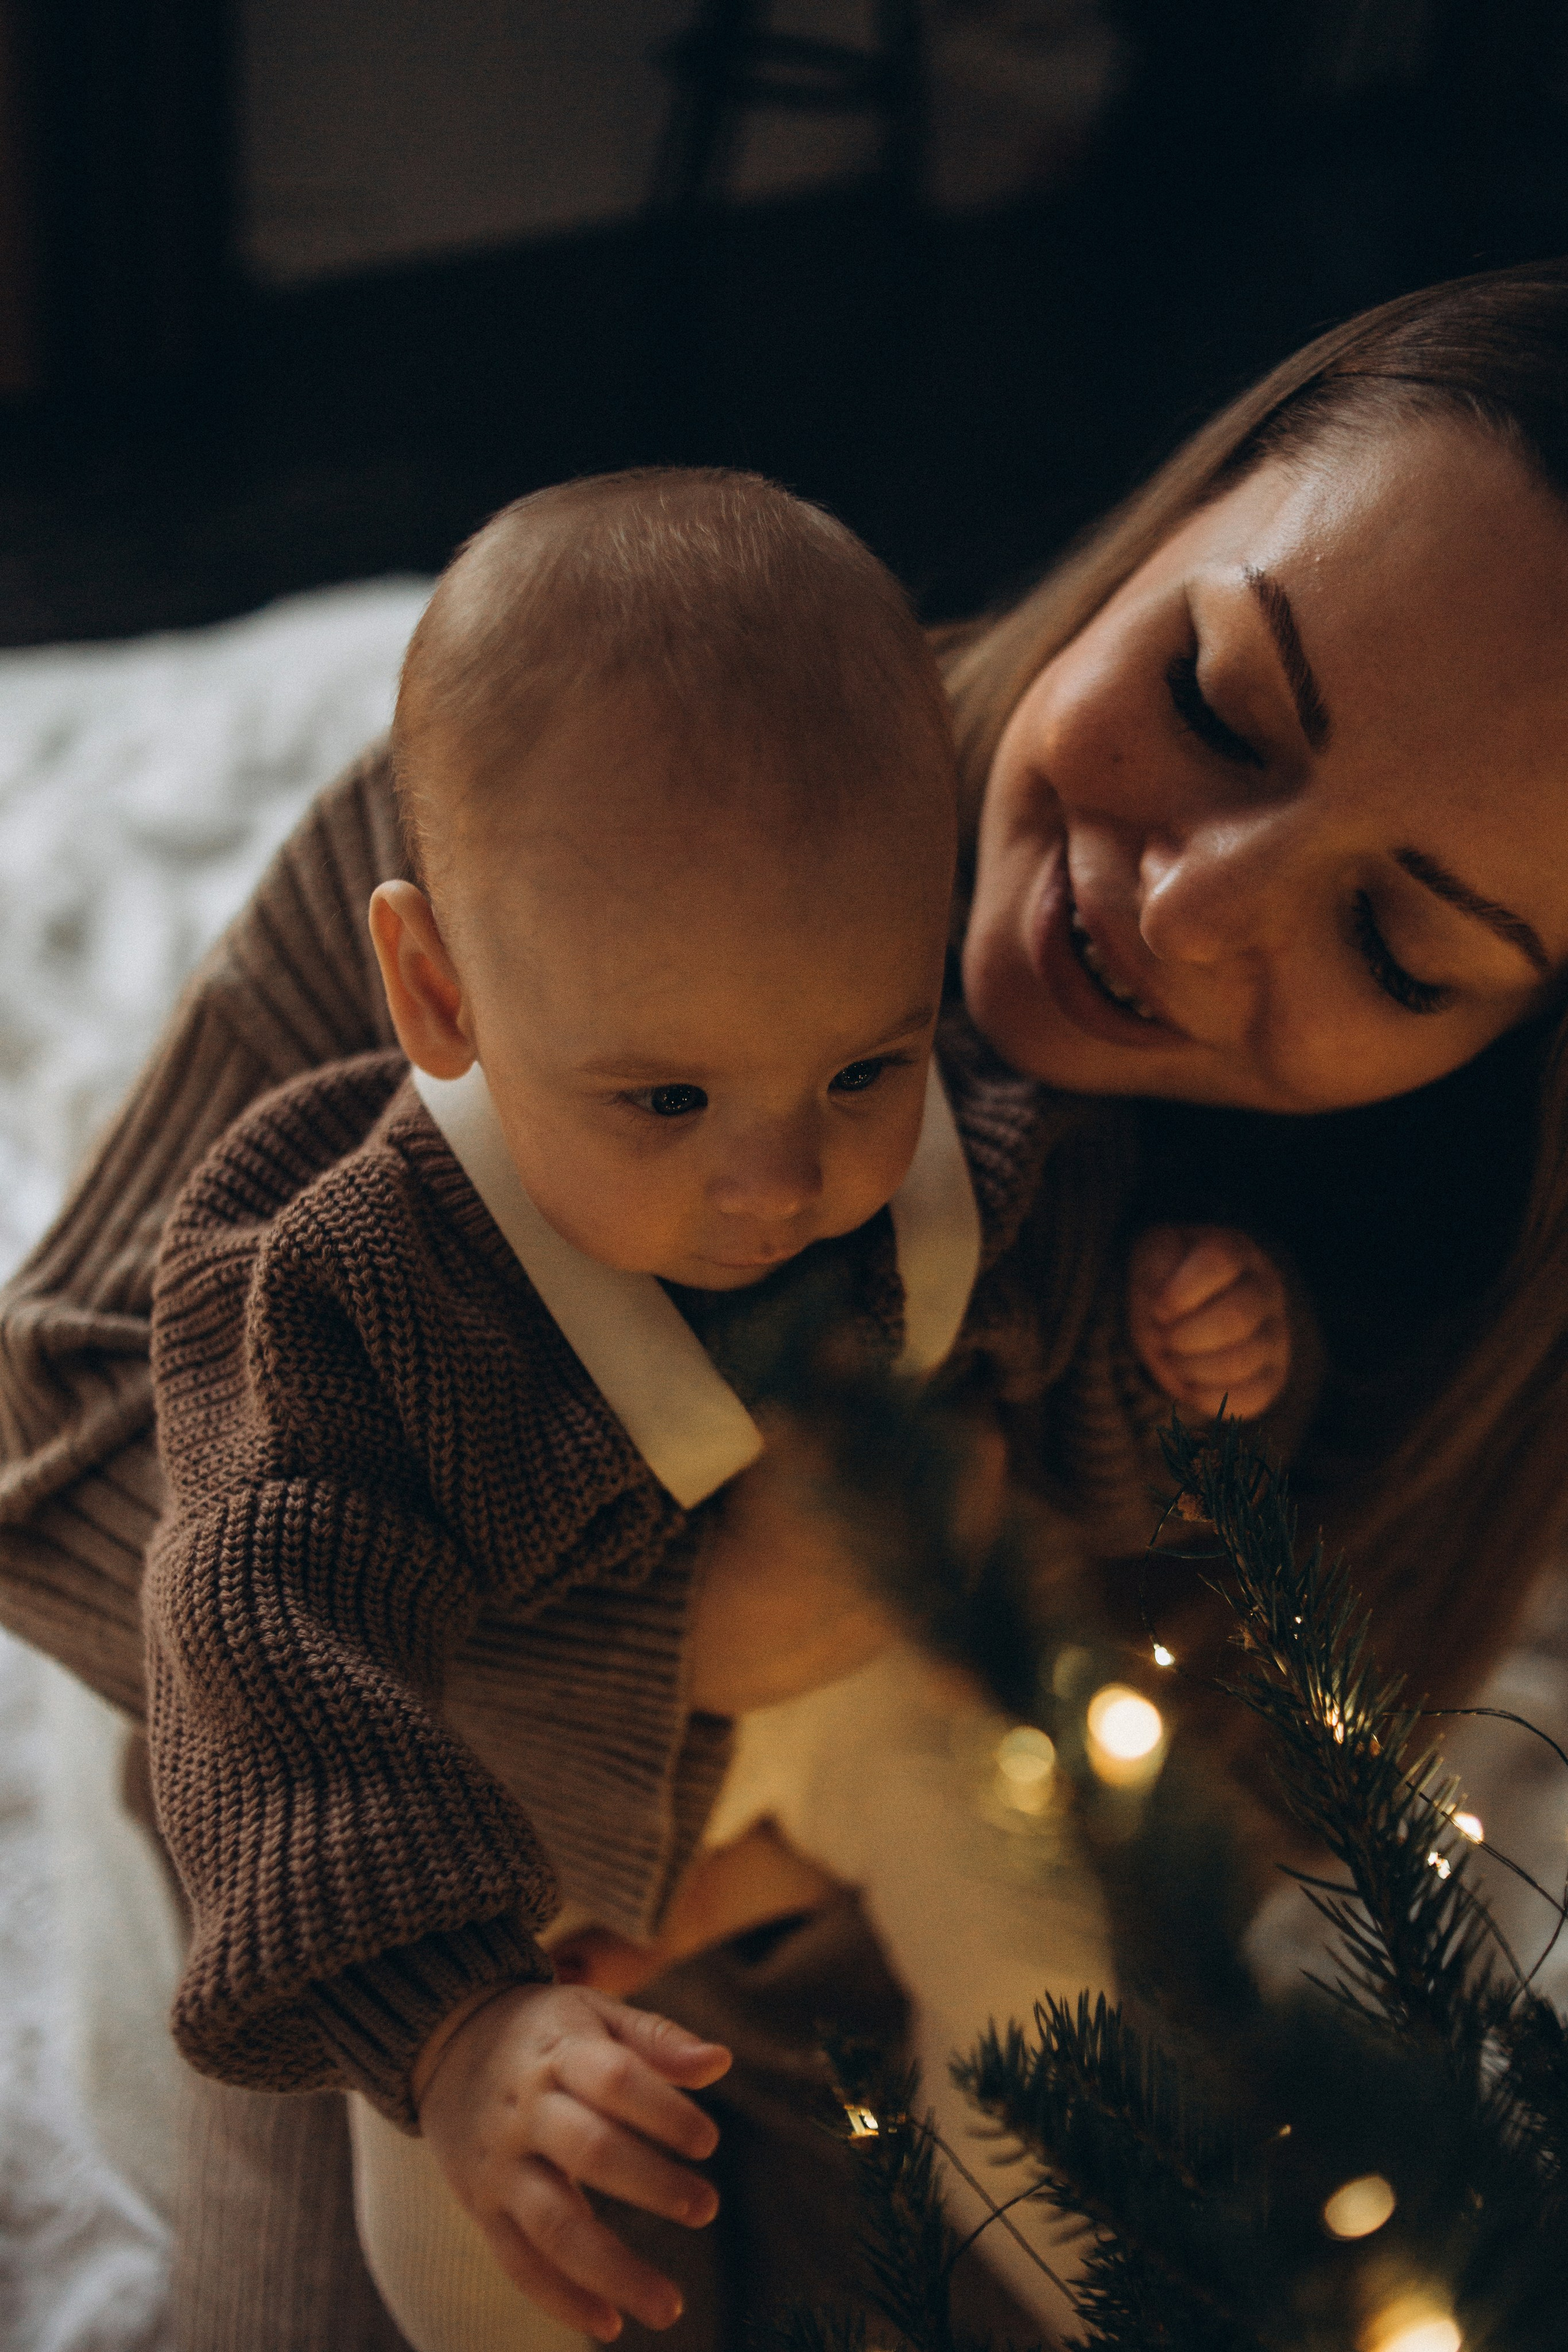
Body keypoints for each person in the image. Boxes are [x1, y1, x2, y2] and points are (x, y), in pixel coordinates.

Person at [8, 257, 1568, 2345]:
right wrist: (658, 1680)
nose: (1187, 916)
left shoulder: (1225, 1223)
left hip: (900, 1890)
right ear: (1181, 511)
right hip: (405, 1872)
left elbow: (1256, 1799)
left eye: (1394, 939)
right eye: (1217, 702)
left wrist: (1183, 1417)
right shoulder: (571, 832)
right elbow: (66, 1447)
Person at [138, 466, 1289, 2351]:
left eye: (860, 1063)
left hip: (871, 1704)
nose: (782, 1181)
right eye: (665, 1101)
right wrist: (453, 2015)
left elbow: (1073, 1423)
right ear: (439, 993)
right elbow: (261, 1625)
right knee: (496, 2209)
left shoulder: (984, 1150)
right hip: (498, 1791)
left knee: (1063, 2004)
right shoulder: (369, 1278)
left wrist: (1195, 1366)